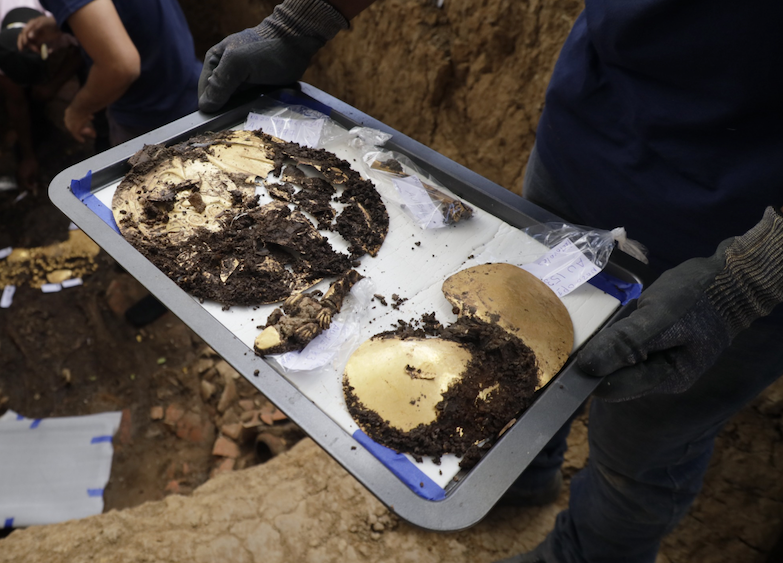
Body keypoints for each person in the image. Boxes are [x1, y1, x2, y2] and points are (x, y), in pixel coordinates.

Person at [196, 2, 783, 562]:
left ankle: (589, 555)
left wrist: (749, 282)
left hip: (736, 236)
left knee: (644, 444)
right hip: (586, 144)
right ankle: (520, 477)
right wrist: (302, 22)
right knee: (514, 347)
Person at [17, 0, 201, 146]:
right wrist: (72, 18)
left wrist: (78, 110)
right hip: (189, 81)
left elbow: (120, 67)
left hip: (152, 119)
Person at [0, 0, 86, 191]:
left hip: (68, 32)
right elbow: (16, 101)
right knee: (30, 104)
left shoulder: (67, 12)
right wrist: (27, 157)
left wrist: (55, 85)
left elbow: (86, 48)